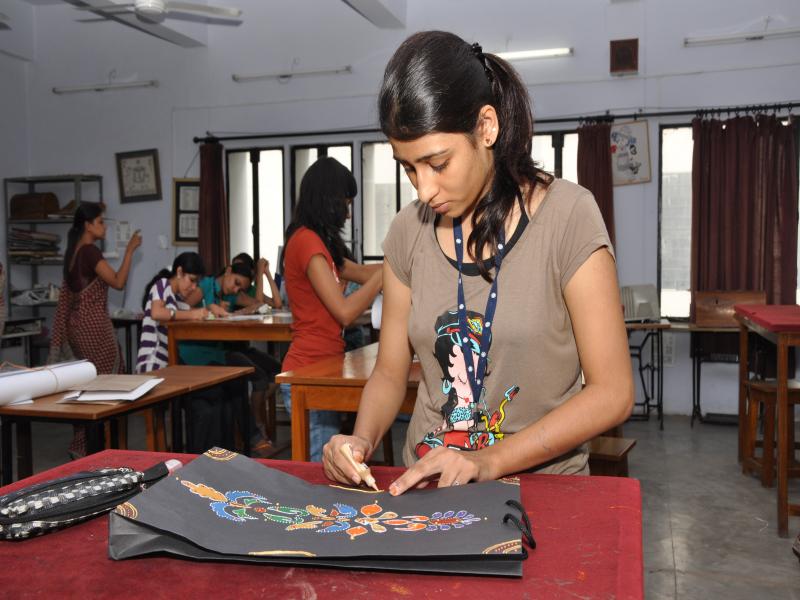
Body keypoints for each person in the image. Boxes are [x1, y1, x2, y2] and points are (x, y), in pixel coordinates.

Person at [322, 31, 633, 494]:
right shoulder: (408, 230)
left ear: (486, 127)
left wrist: (488, 461)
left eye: (437, 163)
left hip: (540, 493)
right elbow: (389, 372)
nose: (423, 189)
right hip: (426, 490)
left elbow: (612, 392)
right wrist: (361, 440)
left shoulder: (568, 217)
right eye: (408, 168)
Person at [281, 157, 383, 462]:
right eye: (345, 204)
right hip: (307, 369)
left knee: (328, 463)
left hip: (324, 366)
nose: (348, 214)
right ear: (329, 200)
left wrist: (398, 265)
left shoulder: (320, 243)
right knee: (318, 469)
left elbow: (361, 272)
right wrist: (383, 277)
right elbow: (344, 312)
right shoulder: (306, 242)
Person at [49, 201, 141, 457]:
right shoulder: (89, 251)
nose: (105, 227)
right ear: (88, 225)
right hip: (94, 327)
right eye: (100, 222)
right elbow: (118, 282)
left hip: (76, 329)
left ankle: (86, 446)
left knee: (88, 387)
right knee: (109, 387)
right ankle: (98, 449)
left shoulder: (72, 252)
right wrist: (130, 251)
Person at [181, 262, 279, 455]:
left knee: (239, 376)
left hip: (215, 350)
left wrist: (238, 312)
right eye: (235, 283)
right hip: (196, 351)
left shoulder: (231, 294)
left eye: (239, 288)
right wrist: (209, 309)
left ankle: (247, 440)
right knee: (238, 377)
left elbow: (260, 304)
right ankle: (252, 438)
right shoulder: (205, 286)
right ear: (227, 271)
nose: (235, 289)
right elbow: (182, 307)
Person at [136, 252, 208, 373]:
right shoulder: (163, 284)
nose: (194, 287)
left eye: (197, 283)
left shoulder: (176, 299)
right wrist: (191, 315)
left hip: (166, 363)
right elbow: (156, 313)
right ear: (179, 272)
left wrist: (209, 311)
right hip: (152, 363)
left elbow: (192, 311)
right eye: (192, 280)